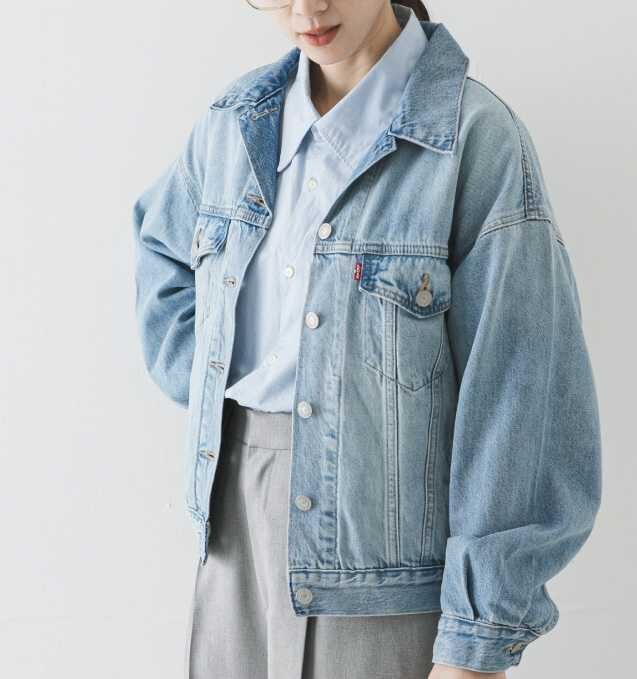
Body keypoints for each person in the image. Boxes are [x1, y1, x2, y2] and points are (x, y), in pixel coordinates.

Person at [131, 1, 603, 678]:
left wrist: (476, 645)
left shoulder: (475, 137)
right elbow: (163, 253)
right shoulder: (235, 124)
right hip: (233, 540)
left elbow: (520, 397)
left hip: (387, 571)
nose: (306, 9)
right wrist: (210, 381)